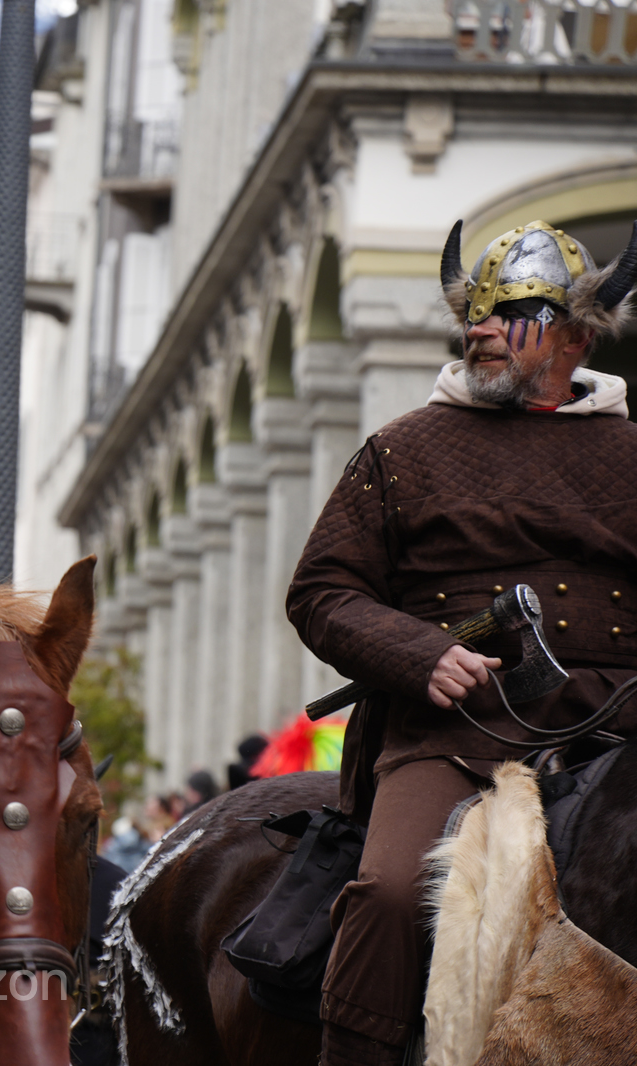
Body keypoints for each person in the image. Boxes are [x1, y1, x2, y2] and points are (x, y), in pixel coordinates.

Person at [287, 218, 637, 1065]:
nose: (479, 329)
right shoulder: (400, 448)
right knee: (391, 893)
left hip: (622, 723)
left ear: (576, 336)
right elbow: (321, 592)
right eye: (474, 313)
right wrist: (421, 655)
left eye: (509, 312)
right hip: (455, 731)